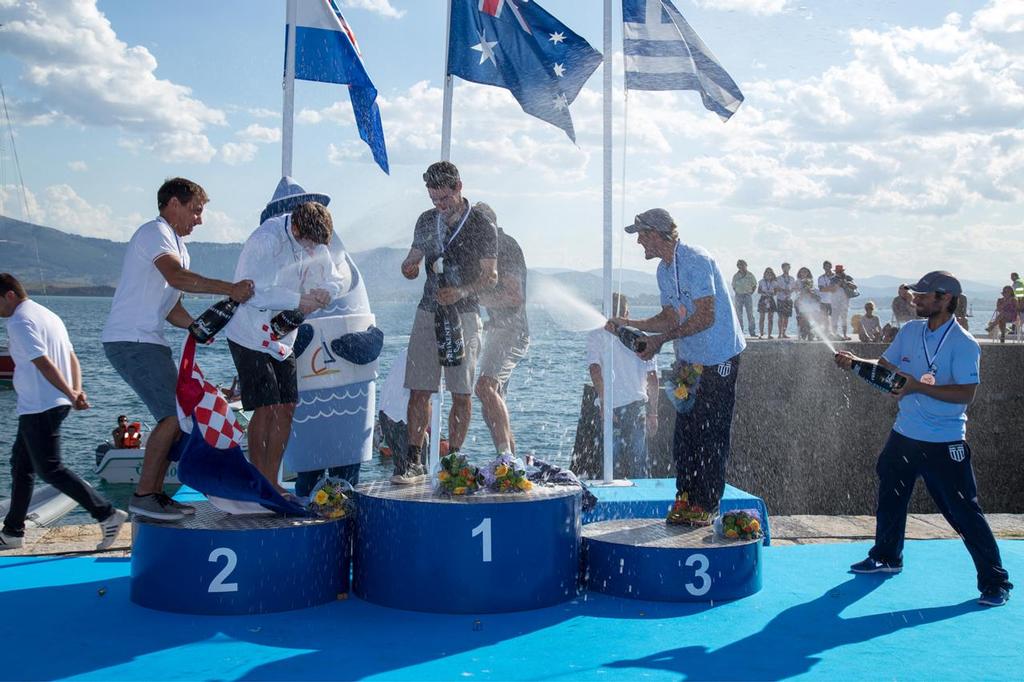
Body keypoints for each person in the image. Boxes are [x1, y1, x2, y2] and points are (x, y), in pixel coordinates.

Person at [834, 271, 1013, 607]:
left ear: (945, 299)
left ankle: (995, 582)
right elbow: (885, 365)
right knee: (890, 495)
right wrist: (856, 363)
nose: (915, 299)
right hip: (904, 434)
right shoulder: (911, 330)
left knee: (963, 512)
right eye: (916, 294)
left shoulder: (964, 344)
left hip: (945, 443)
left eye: (923, 296)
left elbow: (965, 394)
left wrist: (917, 386)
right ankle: (887, 556)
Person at [102, 178, 254, 521]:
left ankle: (154, 494)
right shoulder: (153, 233)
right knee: (172, 416)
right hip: (130, 340)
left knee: (180, 417)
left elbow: (170, 305)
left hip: (148, 339)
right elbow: (178, 278)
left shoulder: (178, 246)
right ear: (173, 204)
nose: (199, 219)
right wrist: (229, 289)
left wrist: (195, 328)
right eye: (196, 210)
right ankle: (144, 496)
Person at [612, 209, 746, 525]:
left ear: (659, 234)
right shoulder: (663, 269)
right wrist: (629, 324)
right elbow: (670, 318)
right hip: (689, 361)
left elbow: (705, 317)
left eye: (642, 235)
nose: (640, 242)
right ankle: (685, 498)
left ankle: (707, 504)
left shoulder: (696, 260)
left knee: (711, 432)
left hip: (720, 358)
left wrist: (660, 341)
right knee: (685, 433)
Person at [0, 273, 128, 551]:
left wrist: (72, 393)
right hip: (45, 402)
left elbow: (45, 364)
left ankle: (106, 513)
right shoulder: (48, 315)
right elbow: (71, 357)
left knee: (50, 468)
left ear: (9, 295)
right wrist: (76, 390)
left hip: (41, 404)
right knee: (21, 465)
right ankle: (12, 531)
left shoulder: (20, 320)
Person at [224, 201, 339, 497]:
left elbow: (335, 276)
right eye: (309, 245)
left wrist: (329, 291)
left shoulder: (316, 238)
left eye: (318, 246)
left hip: (282, 337)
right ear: (296, 228)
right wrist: (298, 300)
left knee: (287, 407)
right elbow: (249, 292)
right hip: (249, 333)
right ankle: (259, 484)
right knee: (266, 407)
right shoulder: (265, 241)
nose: (313, 251)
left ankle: (272, 480)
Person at [396, 161, 497, 484]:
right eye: (434, 199)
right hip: (428, 310)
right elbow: (412, 259)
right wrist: (408, 267)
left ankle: (453, 458)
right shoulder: (427, 221)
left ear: (459, 187)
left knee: (461, 392)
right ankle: (413, 460)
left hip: (464, 314)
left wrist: (461, 291)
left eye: (444, 199)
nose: (439, 206)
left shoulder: (481, 224)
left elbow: (490, 277)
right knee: (419, 388)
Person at [472, 202, 529, 456]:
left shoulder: (505, 246)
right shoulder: (489, 248)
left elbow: (514, 296)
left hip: (512, 329)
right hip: (497, 329)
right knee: (491, 399)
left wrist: (471, 298)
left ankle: (506, 459)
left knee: (485, 388)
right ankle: (511, 461)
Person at [590, 294, 659, 479]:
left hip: (610, 407)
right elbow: (652, 379)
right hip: (637, 407)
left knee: (609, 467)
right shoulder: (642, 338)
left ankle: (609, 502)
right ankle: (643, 504)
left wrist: (605, 402)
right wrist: (653, 413)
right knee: (639, 463)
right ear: (627, 313)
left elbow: (595, 371)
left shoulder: (596, 335)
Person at [731, 260, 757, 337]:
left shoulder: (750, 275)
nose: (741, 267)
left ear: (746, 265)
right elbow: (733, 286)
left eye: (742, 265)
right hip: (739, 295)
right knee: (739, 314)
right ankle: (740, 332)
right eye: (739, 265)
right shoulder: (735, 276)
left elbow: (754, 285)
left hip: (747, 295)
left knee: (750, 314)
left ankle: (752, 332)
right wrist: (738, 292)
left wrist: (750, 293)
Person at [831, 264, 857, 340]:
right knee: (835, 318)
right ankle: (834, 334)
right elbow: (831, 288)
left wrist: (847, 283)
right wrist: (840, 283)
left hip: (845, 301)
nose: (839, 273)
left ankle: (845, 334)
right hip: (835, 301)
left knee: (844, 318)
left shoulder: (848, 278)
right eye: (838, 272)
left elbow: (855, 286)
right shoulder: (832, 279)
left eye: (840, 271)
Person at [775, 262, 796, 339]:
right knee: (781, 317)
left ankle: (784, 333)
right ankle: (779, 333)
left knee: (786, 317)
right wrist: (783, 290)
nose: (786, 269)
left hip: (788, 299)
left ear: (789, 268)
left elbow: (794, 288)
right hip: (781, 299)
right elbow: (776, 288)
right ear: (782, 268)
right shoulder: (778, 278)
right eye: (784, 267)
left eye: (787, 267)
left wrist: (790, 291)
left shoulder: (792, 279)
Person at [756, 267, 777, 339]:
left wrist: (771, 294)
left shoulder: (774, 282)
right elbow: (758, 291)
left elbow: (776, 292)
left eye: (770, 273)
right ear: (764, 274)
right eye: (767, 272)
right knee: (762, 317)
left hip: (770, 299)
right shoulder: (761, 281)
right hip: (763, 299)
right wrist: (764, 293)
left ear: (772, 274)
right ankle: (761, 333)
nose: (768, 274)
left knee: (770, 318)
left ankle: (769, 334)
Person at [817, 261, 837, 336]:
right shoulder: (821, 278)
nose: (827, 268)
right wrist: (831, 288)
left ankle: (834, 332)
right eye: (825, 266)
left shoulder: (835, 277)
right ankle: (826, 332)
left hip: (834, 301)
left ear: (831, 267)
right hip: (823, 301)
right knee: (824, 317)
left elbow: (836, 289)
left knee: (834, 318)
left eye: (828, 266)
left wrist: (827, 288)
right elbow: (821, 289)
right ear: (823, 267)